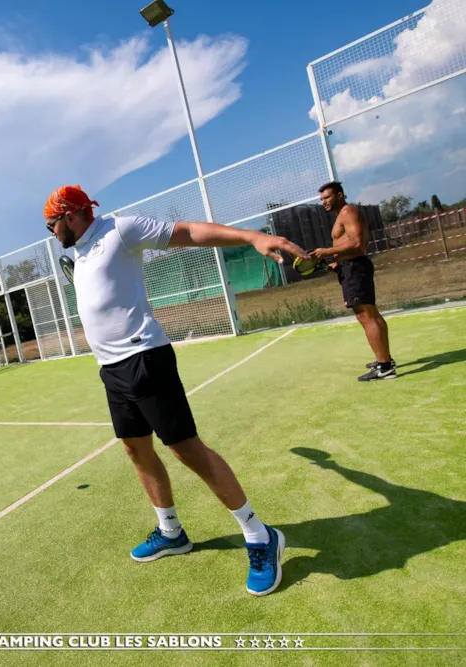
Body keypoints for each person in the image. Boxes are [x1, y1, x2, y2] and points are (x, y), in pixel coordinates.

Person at [44, 184, 308, 596]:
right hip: (110, 369)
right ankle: (172, 533)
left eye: (51, 225)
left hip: (145, 359)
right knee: (136, 449)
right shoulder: (76, 251)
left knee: (187, 450)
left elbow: (188, 232)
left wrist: (253, 236)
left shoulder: (121, 229)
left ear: (71, 215)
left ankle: (260, 535)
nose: (50, 233)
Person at [311, 181, 396, 381]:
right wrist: (337, 264)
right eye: (322, 199)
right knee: (370, 315)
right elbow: (350, 243)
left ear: (340, 195)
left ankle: (385, 368)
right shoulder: (343, 215)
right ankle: (385, 360)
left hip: (356, 268)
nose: (324, 202)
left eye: (327, 197)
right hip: (351, 267)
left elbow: (357, 243)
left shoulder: (348, 211)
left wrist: (326, 252)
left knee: (366, 317)